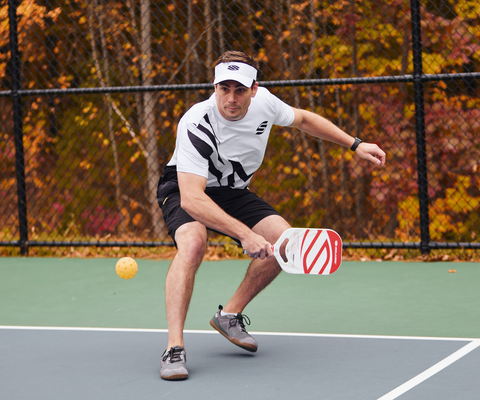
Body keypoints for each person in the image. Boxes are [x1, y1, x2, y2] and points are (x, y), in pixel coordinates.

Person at [156, 50, 386, 380]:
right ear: (214, 87)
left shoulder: (265, 103)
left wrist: (355, 144)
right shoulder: (196, 121)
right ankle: (174, 347)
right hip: (184, 189)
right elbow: (193, 199)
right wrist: (246, 235)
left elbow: (304, 120)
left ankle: (229, 315)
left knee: (284, 242)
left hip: (233, 191)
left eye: (239, 90)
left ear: (254, 88)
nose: (231, 99)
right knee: (193, 243)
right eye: (224, 89)